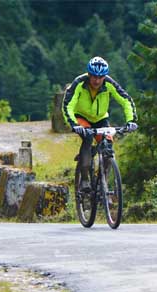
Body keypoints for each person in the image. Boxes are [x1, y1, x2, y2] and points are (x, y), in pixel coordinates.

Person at [62, 56, 138, 191]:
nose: (97, 80)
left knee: (108, 146)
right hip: (81, 118)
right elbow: (68, 104)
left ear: (105, 76)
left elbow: (126, 100)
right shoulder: (79, 83)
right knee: (88, 138)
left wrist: (131, 121)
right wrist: (74, 124)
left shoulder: (109, 84)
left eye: (100, 77)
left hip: (101, 119)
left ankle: (102, 182)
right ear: (89, 74)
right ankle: (84, 179)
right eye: (94, 77)